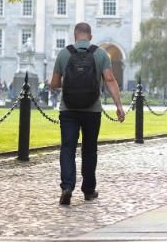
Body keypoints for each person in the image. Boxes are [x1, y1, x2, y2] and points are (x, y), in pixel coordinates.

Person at [49, 22, 125, 205]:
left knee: (67, 148)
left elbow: (54, 84)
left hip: (68, 110)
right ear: (90, 36)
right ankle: (89, 190)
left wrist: (67, 81)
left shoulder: (64, 53)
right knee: (89, 150)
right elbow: (109, 79)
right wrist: (119, 106)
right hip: (92, 110)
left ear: (75, 36)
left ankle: (67, 186)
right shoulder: (100, 54)